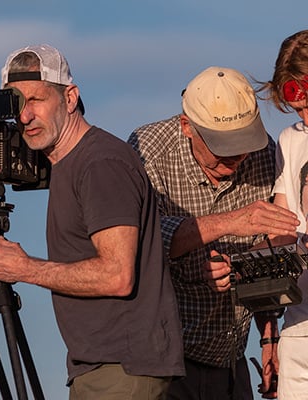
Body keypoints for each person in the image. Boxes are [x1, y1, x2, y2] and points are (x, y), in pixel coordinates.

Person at [0, 44, 185, 399]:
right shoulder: (66, 163)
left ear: (70, 98)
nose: (25, 117)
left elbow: (117, 275)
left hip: (122, 367)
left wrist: (24, 269)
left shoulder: (100, 163)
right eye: (17, 105)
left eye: (36, 100)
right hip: (103, 366)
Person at [128, 66, 300, 400]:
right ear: (186, 126)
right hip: (161, 363)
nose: (236, 156)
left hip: (232, 358)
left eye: (243, 140)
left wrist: (270, 340)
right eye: (223, 145)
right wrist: (230, 222)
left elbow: (270, 256)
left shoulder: (265, 154)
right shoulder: (147, 151)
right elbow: (140, 238)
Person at [257, 29, 308, 400]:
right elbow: (284, 227)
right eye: (298, 108)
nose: (304, 115)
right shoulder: (291, 141)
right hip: (300, 328)